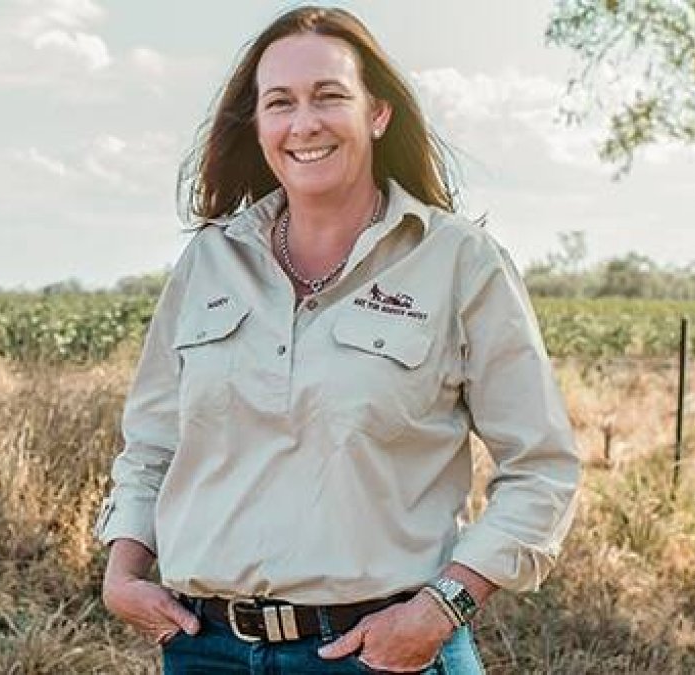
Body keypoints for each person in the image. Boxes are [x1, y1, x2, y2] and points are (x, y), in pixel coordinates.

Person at [93, 6, 582, 675]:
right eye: (279, 103)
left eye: (329, 96)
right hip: (205, 649)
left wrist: (441, 608)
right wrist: (122, 572)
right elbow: (151, 444)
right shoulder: (209, 262)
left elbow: (542, 468)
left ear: (377, 114)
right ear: (259, 125)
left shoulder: (460, 262)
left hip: (380, 652)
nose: (304, 123)